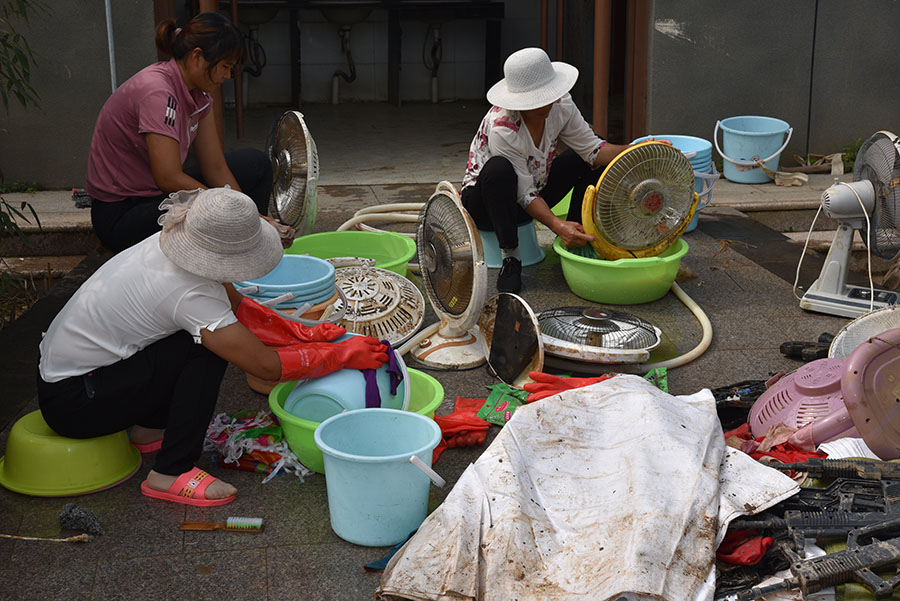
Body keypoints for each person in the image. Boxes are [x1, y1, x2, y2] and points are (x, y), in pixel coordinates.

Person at [37, 187, 388, 507]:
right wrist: (341, 355)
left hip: (92, 377)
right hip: (77, 402)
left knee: (206, 337)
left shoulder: (169, 248)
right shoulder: (187, 292)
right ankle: (171, 472)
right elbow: (264, 366)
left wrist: (303, 333)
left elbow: (236, 307)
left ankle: (149, 427)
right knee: (205, 349)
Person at [86, 12, 292, 254]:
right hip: (122, 214)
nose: (227, 76)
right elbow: (168, 177)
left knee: (255, 164)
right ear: (197, 57)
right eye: (225, 67)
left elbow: (215, 167)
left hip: (157, 196)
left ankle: (247, 247)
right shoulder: (158, 91)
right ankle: (238, 251)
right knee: (217, 211)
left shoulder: (199, 95)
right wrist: (232, 209)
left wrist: (253, 216)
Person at [461, 47, 635, 294]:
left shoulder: (561, 104)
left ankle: (579, 236)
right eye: (538, 99)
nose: (548, 102)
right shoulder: (502, 126)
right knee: (499, 170)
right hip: (489, 205)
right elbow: (524, 194)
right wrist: (555, 224)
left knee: (587, 160)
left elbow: (593, 150)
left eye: (548, 95)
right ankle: (511, 257)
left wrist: (638, 148)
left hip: (536, 190)